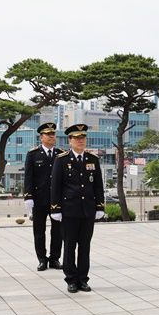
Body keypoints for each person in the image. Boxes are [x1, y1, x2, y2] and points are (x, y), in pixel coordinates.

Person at [50, 124, 105, 293]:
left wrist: (99, 206)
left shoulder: (92, 159)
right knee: (69, 246)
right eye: (77, 138)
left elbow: (98, 186)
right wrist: (55, 208)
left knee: (85, 246)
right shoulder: (62, 159)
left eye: (83, 138)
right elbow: (55, 186)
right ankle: (71, 279)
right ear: (70, 140)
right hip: (69, 210)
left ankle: (83, 279)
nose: (80, 141)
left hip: (87, 210)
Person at [23, 122, 64, 271]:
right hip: (39, 199)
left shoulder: (61, 154)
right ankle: (42, 259)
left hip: (57, 200)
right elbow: (28, 177)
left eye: (53, 134)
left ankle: (55, 259)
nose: (52, 136)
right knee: (39, 231)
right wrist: (28, 196)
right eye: (49, 134)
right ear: (41, 137)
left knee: (58, 231)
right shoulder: (33, 154)